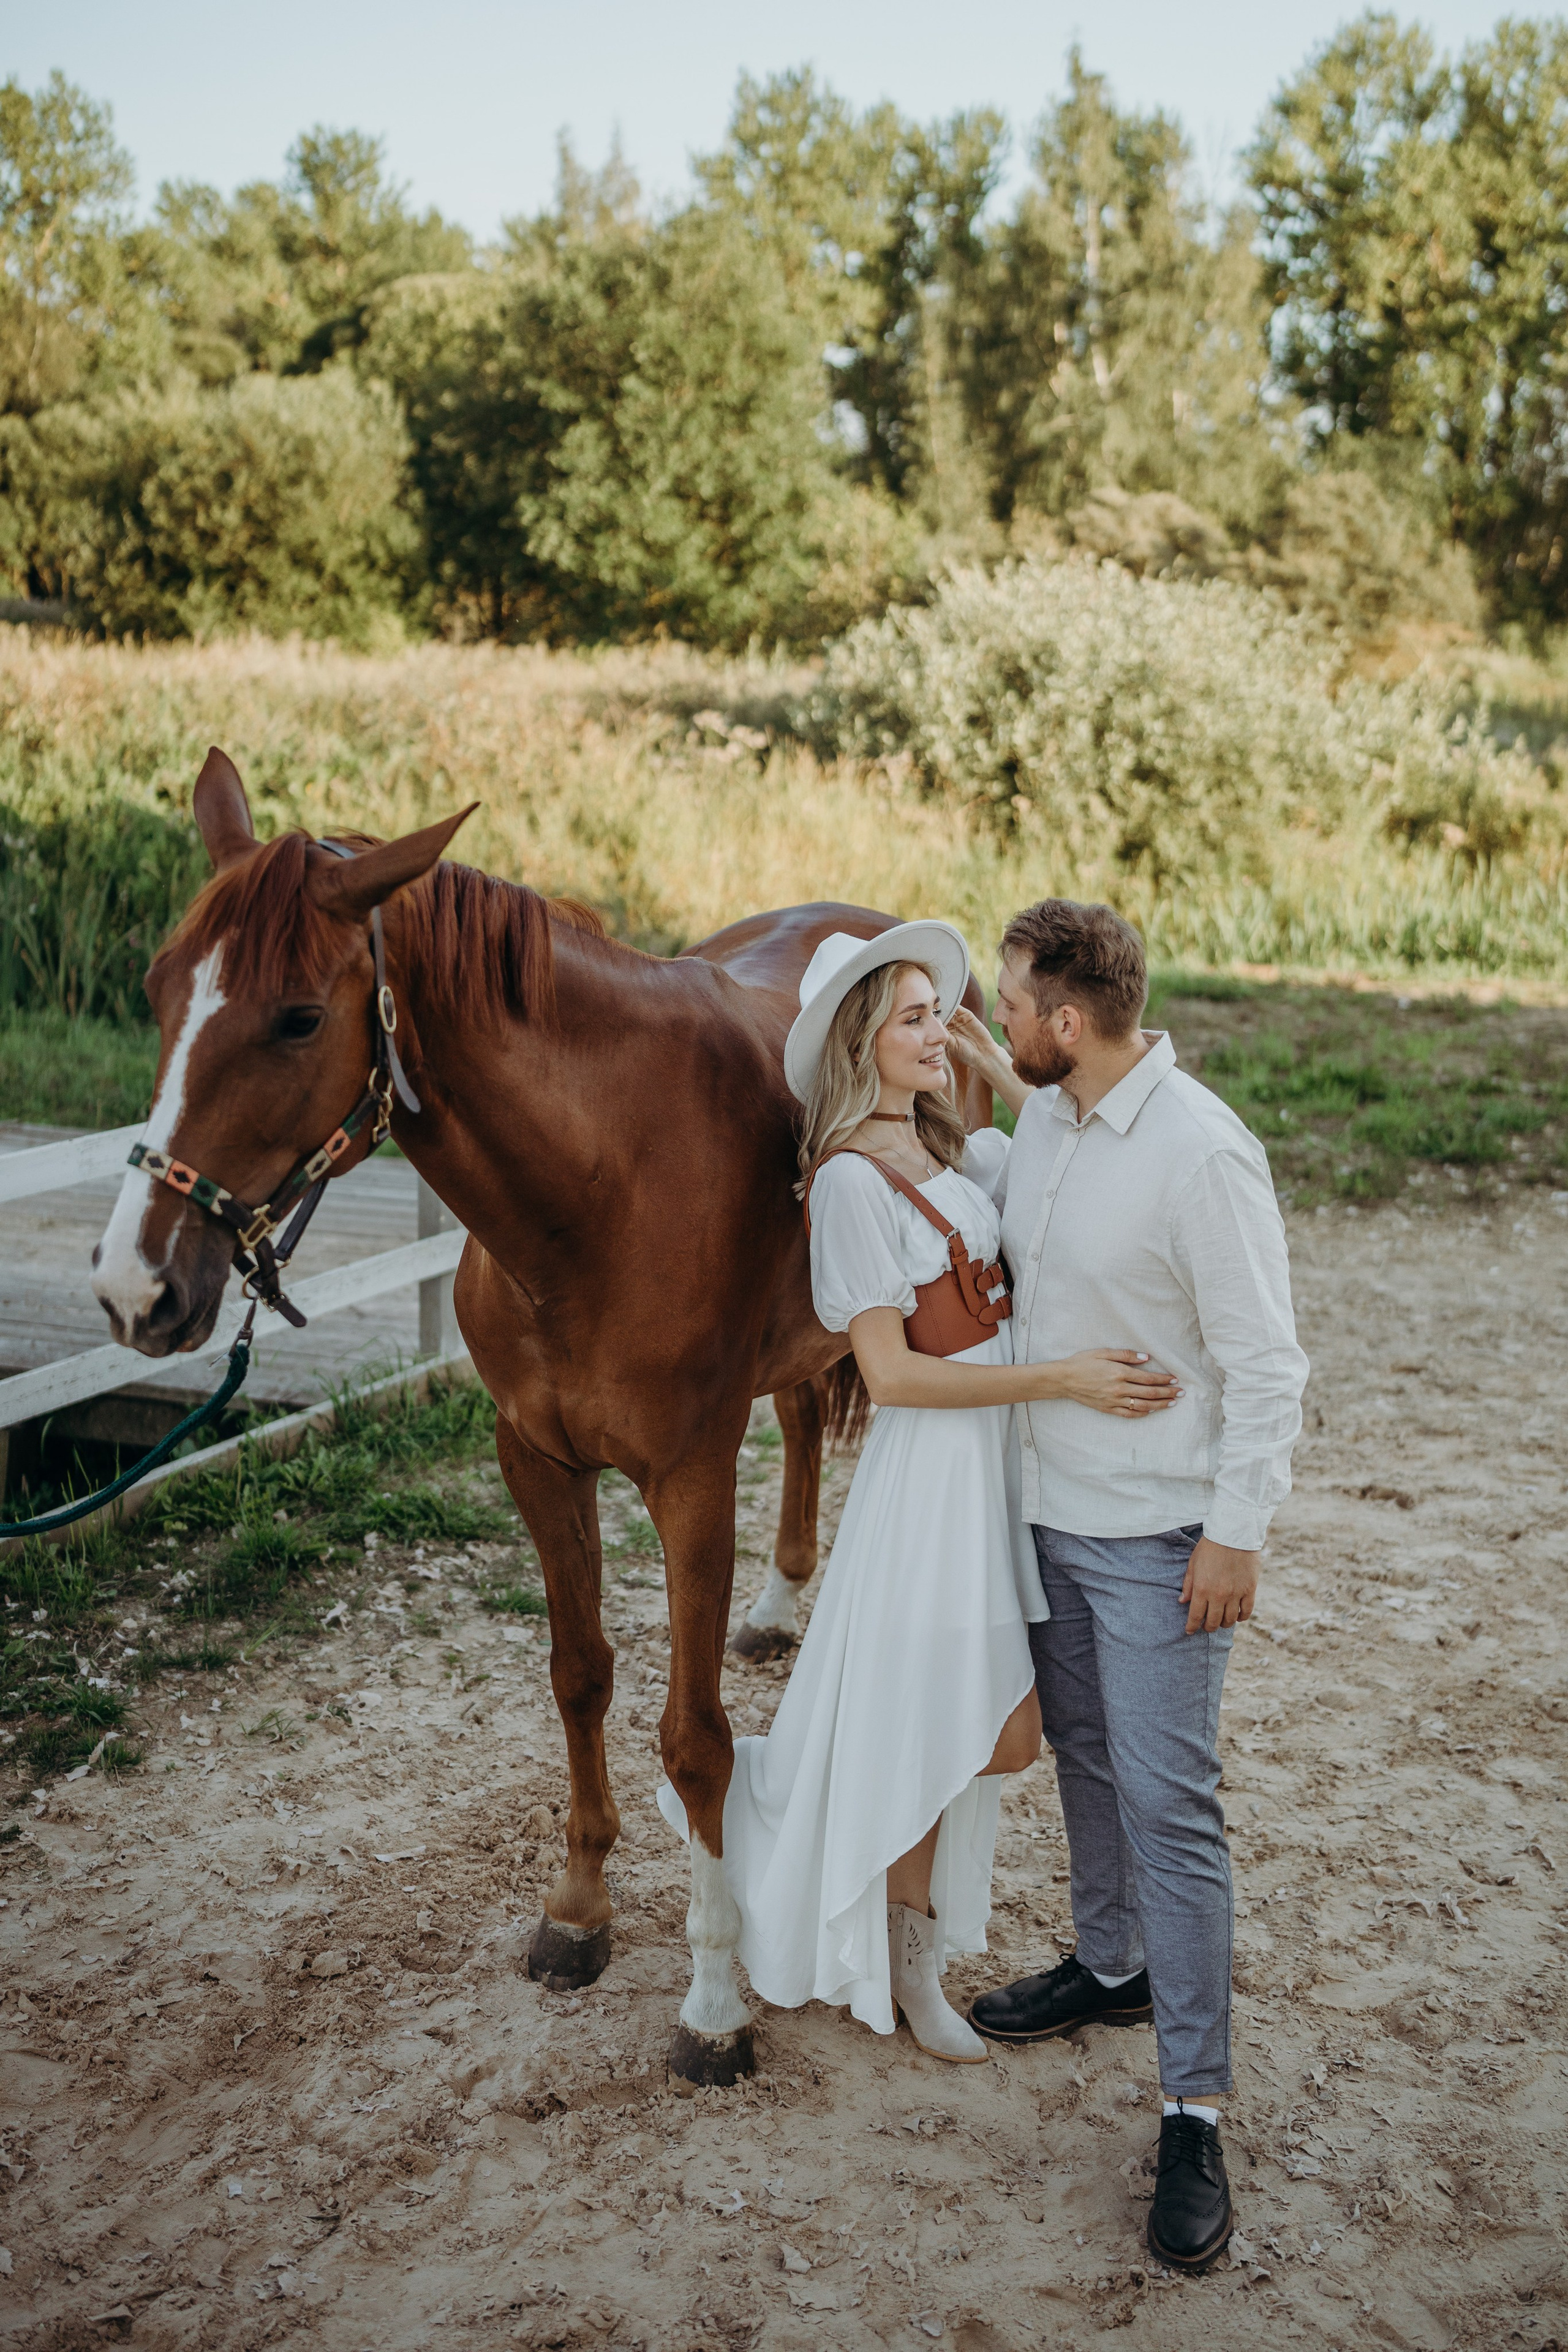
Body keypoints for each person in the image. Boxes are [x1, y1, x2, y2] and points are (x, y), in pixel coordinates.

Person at [658, 924, 1180, 2064]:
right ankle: (912, 1969)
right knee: (974, 1732)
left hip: (994, 1467)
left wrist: (989, 1070)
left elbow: (1056, 1155)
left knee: (981, 1733)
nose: (936, 1029)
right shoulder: (848, 1180)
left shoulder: (949, 1153)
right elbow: (888, 1375)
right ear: (864, 1040)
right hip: (933, 1478)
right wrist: (1067, 1379)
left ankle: (912, 1957)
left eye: (942, 1010)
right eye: (912, 1017)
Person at [944, 900, 1309, 2272]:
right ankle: (1109, 1966)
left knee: (1172, 1809)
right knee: (1084, 1758)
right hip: (1047, 1514)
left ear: (1068, 1021)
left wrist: (1236, 1533)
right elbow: (1002, 1180)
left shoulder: (1201, 1156)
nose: (997, 1021)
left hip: (1163, 1538)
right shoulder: (1047, 1116)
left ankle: (1191, 2109)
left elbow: (1267, 1365)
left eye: (1008, 1004)